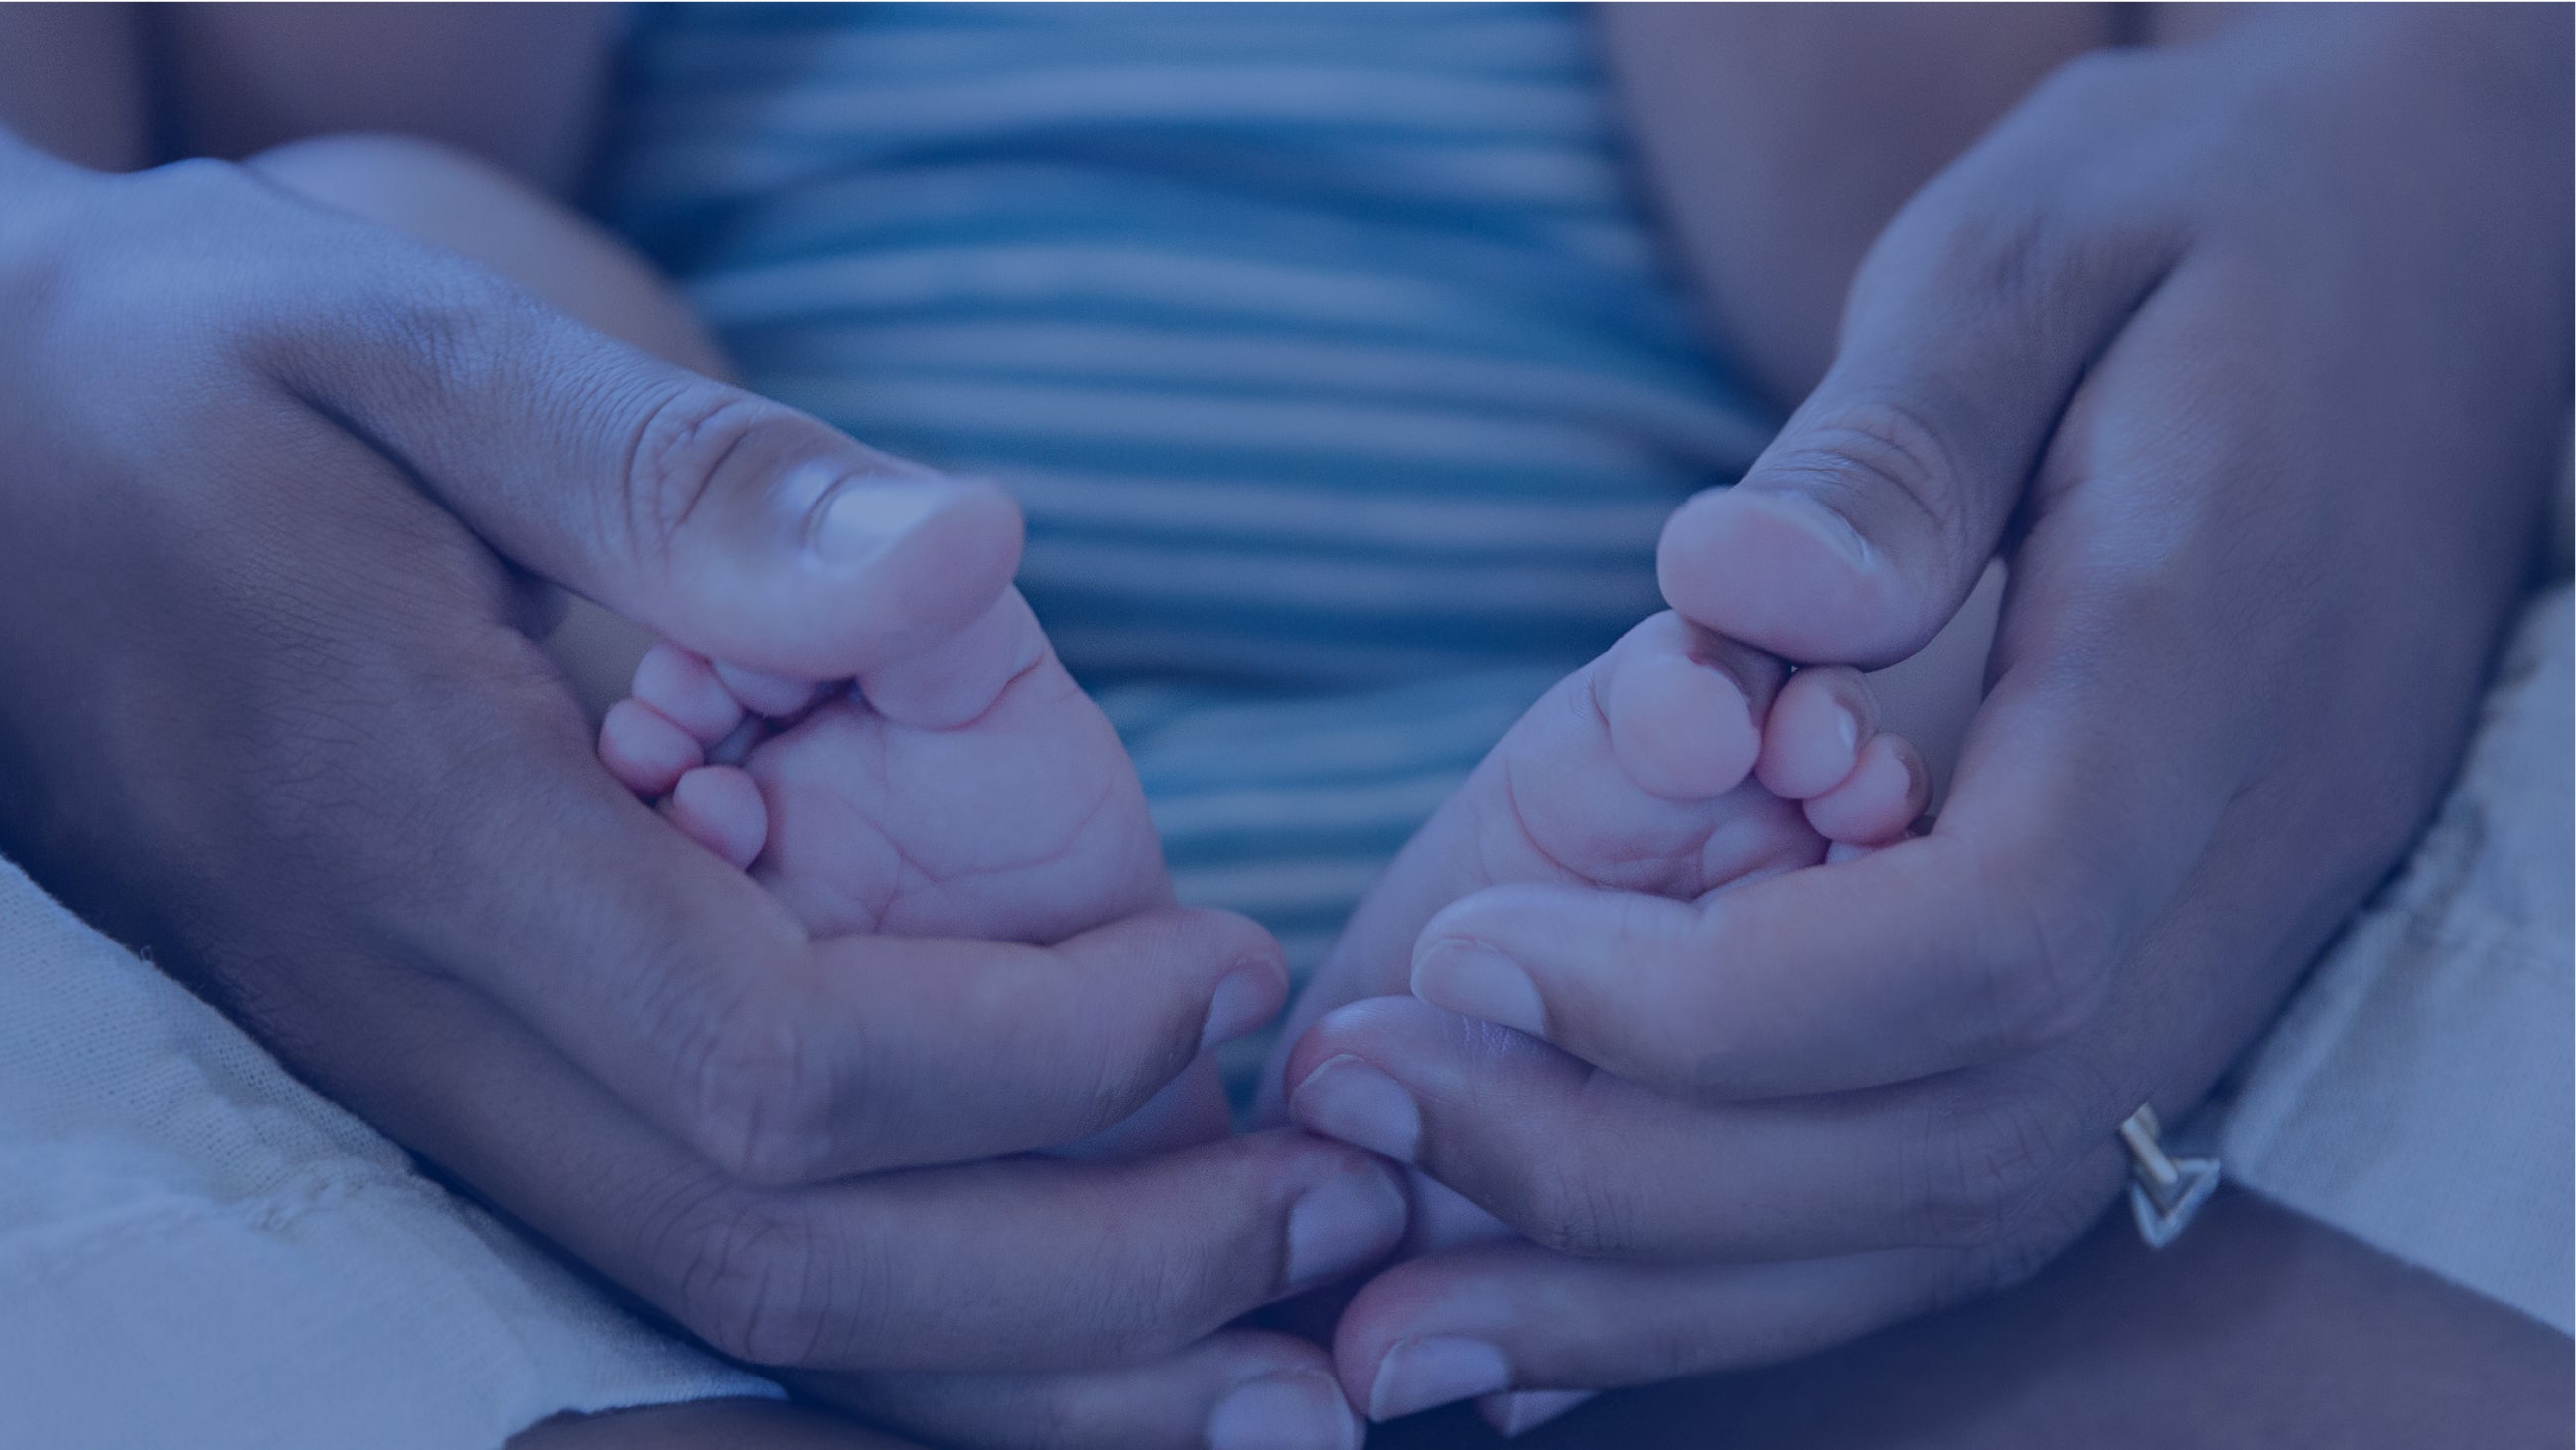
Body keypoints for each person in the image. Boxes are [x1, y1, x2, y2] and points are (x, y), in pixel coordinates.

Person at [0, 6, 2563, 1449]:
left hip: (1706, 644)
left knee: (1972, 395)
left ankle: (1612, 980)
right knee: (374, 227)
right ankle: (899, 945)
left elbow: (2279, 143)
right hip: (557, 868)